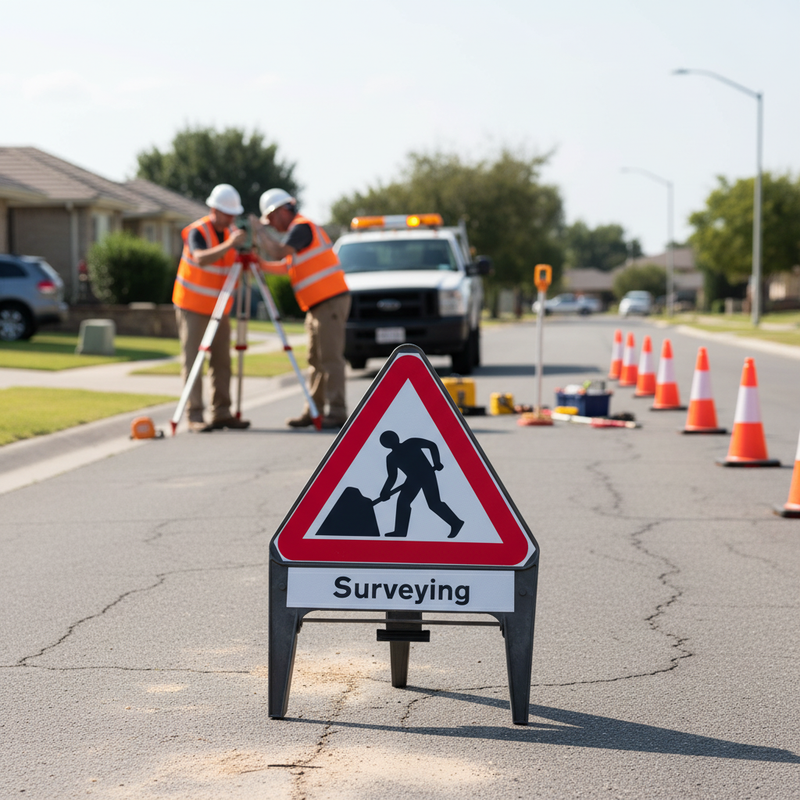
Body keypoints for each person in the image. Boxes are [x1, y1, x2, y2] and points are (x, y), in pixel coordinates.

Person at [251, 188, 351, 430]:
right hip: (318, 306)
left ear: (282, 211)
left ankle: (337, 411)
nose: (272, 225)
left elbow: (278, 250)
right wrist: (261, 265)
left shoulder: (302, 227)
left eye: (271, 219)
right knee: (315, 360)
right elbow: (286, 265)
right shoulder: (298, 234)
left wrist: (259, 232)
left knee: (330, 359)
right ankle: (313, 409)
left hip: (330, 302)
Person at [172, 183, 251, 433]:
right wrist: (230, 244)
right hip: (193, 306)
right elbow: (201, 258)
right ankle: (194, 415)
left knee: (222, 362)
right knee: (194, 361)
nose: (231, 219)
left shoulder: (231, 232)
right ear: (213, 209)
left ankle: (222, 413)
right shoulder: (197, 231)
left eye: (233, 214)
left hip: (219, 308)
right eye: (227, 213)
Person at [378, 430, 464, 539]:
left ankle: (455, 522)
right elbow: (392, 477)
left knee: (433, 503)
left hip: (426, 474)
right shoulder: (392, 457)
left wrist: (436, 462)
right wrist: (385, 491)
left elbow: (431, 445)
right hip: (413, 479)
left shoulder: (410, 443)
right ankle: (400, 531)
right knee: (403, 502)